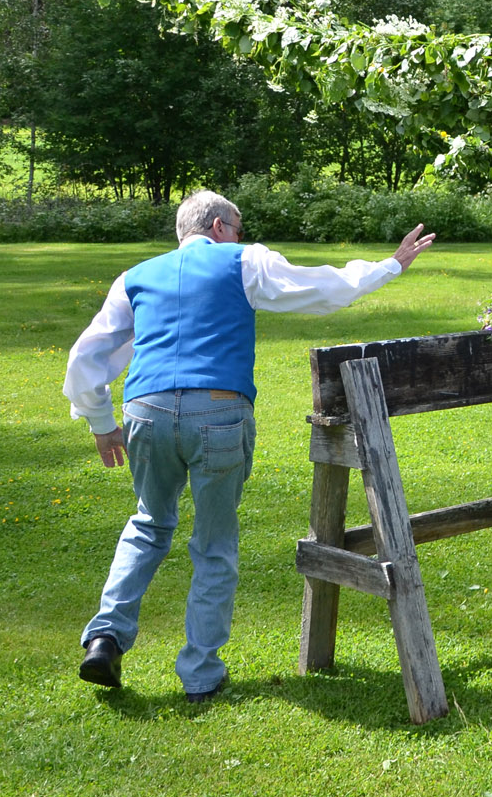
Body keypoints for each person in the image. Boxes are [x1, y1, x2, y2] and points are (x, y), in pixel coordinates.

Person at [65, 192, 435, 700]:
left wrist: (100, 421)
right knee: (214, 544)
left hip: (145, 413)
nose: (239, 236)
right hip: (218, 411)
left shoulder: (135, 276)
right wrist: (389, 266)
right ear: (219, 226)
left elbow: (88, 352)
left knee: (149, 522)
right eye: (237, 228)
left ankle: (105, 638)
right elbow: (320, 288)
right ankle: (199, 674)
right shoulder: (244, 260)